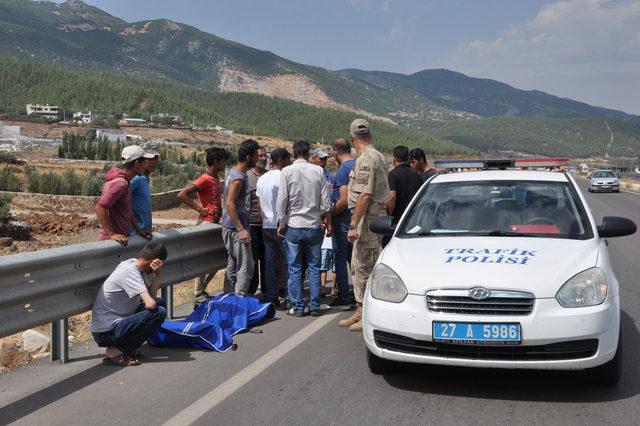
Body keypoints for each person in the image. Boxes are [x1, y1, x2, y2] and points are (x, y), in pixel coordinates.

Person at [340, 119, 389, 331]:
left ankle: (367, 312)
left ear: (353, 138)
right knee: (362, 263)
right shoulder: (378, 155)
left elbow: (365, 194)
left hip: (367, 218)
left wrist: (353, 224)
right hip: (373, 216)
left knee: (363, 265)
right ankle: (360, 307)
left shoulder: (367, 158)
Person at [276, 140, 332, 317]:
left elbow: (282, 200)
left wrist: (281, 223)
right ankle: (315, 306)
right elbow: (326, 202)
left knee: (295, 267)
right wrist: (323, 217)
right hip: (314, 226)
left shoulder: (286, 171)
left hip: (294, 225)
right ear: (308, 154)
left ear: (293, 154)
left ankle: (298, 306)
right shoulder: (318, 171)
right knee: (314, 267)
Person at [90, 241, 168, 367]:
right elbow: (150, 304)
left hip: (117, 323)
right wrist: (156, 273)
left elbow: (152, 299)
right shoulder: (130, 272)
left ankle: (126, 347)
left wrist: (156, 275)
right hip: (107, 331)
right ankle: (114, 352)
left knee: (160, 303)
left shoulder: (133, 263)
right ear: (154, 261)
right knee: (159, 312)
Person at [177, 147, 230, 302]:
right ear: (215, 162)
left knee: (217, 259)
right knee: (205, 259)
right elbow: (182, 194)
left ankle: (201, 290)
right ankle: (198, 292)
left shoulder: (215, 179)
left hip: (214, 222)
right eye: (223, 161)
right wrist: (200, 209)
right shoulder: (205, 178)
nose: (225, 163)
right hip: (206, 222)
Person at [222, 139, 260, 295]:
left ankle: (229, 298)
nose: (258, 159)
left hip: (230, 226)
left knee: (233, 264)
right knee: (246, 266)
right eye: (256, 155)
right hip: (236, 228)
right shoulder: (238, 177)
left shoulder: (233, 172)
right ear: (249, 157)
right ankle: (239, 300)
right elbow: (229, 204)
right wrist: (241, 229)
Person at [96, 145, 155, 246]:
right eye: (144, 162)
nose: (147, 165)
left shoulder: (125, 182)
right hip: (111, 242)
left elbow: (128, 209)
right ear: (137, 163)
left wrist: (138, 230)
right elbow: (100, 207)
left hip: (120, 239)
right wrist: (111, 234)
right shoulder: (120, 184)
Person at [256, 148, 291, 307]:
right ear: (281, 160)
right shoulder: (283, 176)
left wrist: (264, 219)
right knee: (290, 260)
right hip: (281, 225)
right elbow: (286, 201)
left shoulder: (262, 178)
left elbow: (258, 204)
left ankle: (272, 296)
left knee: (270, 262)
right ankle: (290, 296)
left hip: (266, 225)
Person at [328, 138, 356, 309]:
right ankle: (359, 292)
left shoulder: (343, 171)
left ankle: (344, 295)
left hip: (343, 221)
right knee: (354, 259)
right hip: (356, 219)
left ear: (335, 153)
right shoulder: (358, 164)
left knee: (340, 257)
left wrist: (329, 214)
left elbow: (344, 199)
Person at [385, 145, 424, 246]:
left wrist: (388, 213)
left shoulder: (392, 175)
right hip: (414, 220)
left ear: (394, 159)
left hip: (396, 221)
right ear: (408, 158)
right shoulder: (418, 175)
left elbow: (392, 196)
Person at [247, 146, 268, 295]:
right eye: (260, 155)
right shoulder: (246, 176)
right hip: (252, 224)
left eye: (265, 155)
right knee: (253, 261)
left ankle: (267, 290)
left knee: (267, 260)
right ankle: (252, 291)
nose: (263, 158)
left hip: (267, 225)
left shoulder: (269, 176)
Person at [130, 142, 160, 236]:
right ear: (140, 160)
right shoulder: (137, 179)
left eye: (155, 158)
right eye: (149, 158)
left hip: (143, 232)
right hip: (134, 233)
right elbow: (121, 200)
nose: (153, 161)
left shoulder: (145, 179)